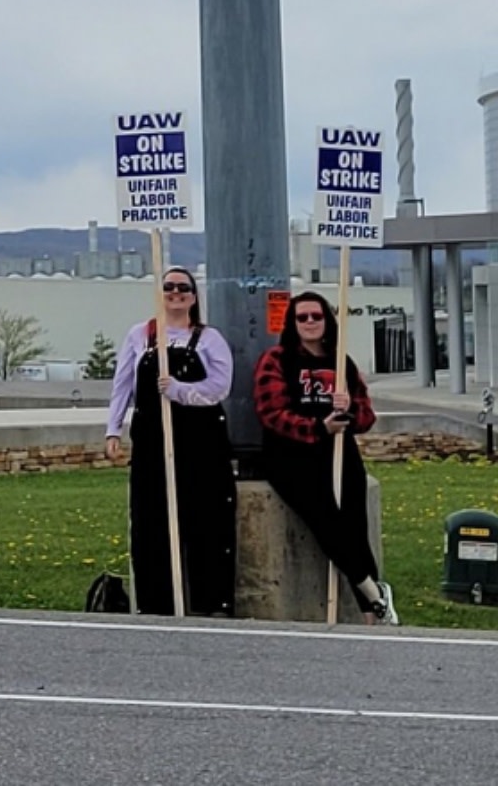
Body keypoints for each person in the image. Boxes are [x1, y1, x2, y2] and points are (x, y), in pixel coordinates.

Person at [253, 291, 398, 625]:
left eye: (315, 316)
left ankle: (372, 618)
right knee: (327, 524)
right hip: (292, 458)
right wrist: (320, 427)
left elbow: (366, 415)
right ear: (291, 323)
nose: (309, 323)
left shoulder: (340, 362)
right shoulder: (276, 360)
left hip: (340, 454)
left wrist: (348, 412)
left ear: (327, 321)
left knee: (355, 530)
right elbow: (272, 413)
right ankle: (375, 594)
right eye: (301, 317)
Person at [104, 267, 236, 616]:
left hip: (200, 440)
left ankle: (211, 602)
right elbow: (123, 386)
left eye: (183, 288)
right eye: (168, 287)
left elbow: (220, 387)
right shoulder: (140, 335)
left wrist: (180, 390)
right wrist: (113, 429)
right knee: (151, 521)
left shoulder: (210, 339)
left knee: (204, 519)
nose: (175, 293)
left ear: (194, 296)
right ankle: (155, 602)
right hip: (151, 439)